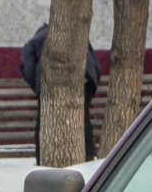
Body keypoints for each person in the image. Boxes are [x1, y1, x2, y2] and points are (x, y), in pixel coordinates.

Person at [21, 24, 102, 160]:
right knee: (84, 117)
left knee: (43, 119)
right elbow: (96, 66)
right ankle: (88, 154)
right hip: (84, 78)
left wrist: (37, 87)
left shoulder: (34, 41)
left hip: (50, 81)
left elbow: (28, 68)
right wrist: (91, 87)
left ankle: (41, 156)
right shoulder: (79, 36)